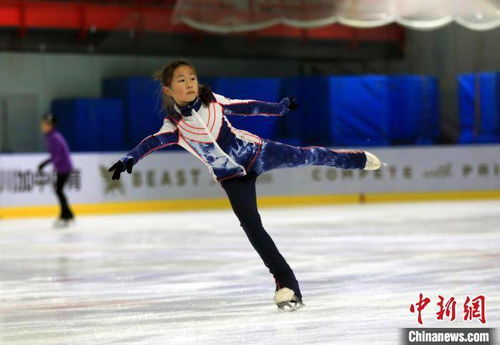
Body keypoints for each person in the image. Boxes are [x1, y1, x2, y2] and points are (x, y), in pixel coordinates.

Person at [108, 59, 381, 312]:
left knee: (309, 155)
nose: (190, 83)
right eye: (181, 80)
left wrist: (280, 107)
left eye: (192, 77)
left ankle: (356, 160)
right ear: (168, 90)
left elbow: (249, 106)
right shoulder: (174, 126)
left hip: (257, 153)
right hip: (231, 178)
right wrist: (128, 159)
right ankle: (287, 286)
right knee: (253, 228)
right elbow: (151, 142)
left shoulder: (213, 101)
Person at [38, 113, 75, 228]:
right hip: (62, 166)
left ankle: (66, 215)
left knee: (59, 190)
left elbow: (58, 155)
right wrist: (45, 163)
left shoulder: (54, 137)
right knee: (59, 190)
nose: (42, 126)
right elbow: (55, 155)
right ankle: (67, 214)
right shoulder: (51, 136)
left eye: (44, 124)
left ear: (50, 125)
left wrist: (50, 164)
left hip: (64, 167)